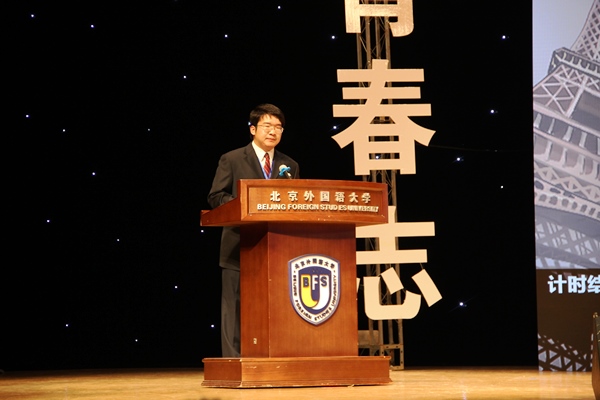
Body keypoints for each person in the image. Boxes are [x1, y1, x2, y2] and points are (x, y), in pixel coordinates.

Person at [207, 103, 300, 357]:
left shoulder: (290, 165)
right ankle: (233, 361)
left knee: (275, 306)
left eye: (278, 127)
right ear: (252, 129)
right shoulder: (232, 159)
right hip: (238, 245)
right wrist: (246, 205)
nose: (273, 131)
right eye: (267, 125)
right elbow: (216, 196)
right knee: (234, 306)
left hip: (276, 247)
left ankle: (274, 358)